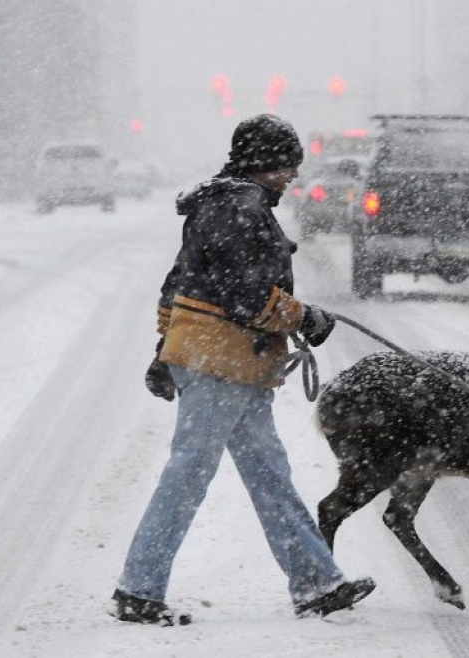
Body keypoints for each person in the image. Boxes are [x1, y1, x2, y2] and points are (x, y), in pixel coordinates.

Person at [112, 114, 375, 626]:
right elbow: (244, 294)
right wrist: (305, 317)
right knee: (189, 473)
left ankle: (316, 582)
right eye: (286, 164)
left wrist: (165, 347)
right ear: (262, 161)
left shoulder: (220, 203)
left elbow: (179, 280)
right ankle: (139, 589)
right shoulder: (241, 207)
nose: (292, 175)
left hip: (227, 361)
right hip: (221, 360)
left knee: (269, 474)